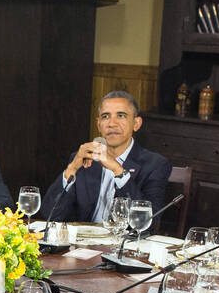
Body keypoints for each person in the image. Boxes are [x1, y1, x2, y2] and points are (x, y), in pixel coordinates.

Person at [39, 91, 173, 227]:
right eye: (105, 116)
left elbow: (146, 222)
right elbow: (50, 214)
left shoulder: (156, 164)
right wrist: (72, 168)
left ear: (136, 123)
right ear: (98, 124)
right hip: (83, 242)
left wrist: (117, 170)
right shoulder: (84, 159)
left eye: (121, 116)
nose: (111, 124)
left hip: (124, 244)